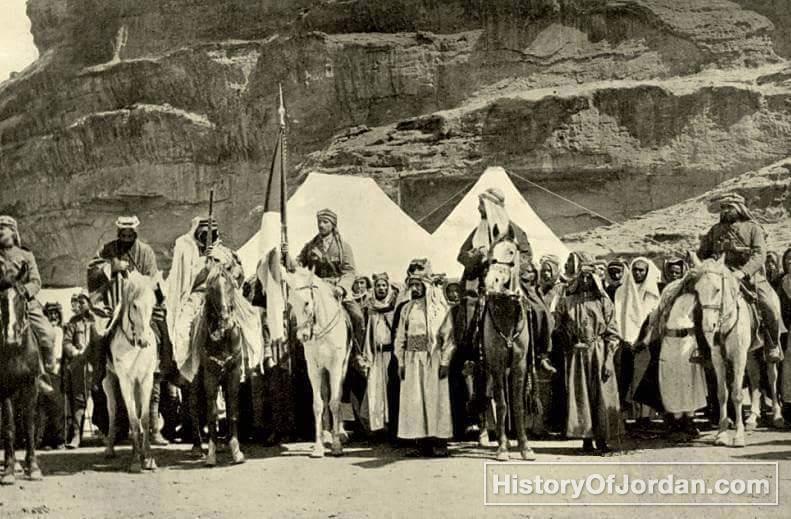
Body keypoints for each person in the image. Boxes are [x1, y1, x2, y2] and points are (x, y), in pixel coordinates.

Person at [697, 193, 783, 363]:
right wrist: (700, 257)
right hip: (720, 275)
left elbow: (759, 255)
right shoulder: (715, 230)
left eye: (729, 207)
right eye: (723, 207)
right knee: (697, 303)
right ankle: (700, 348)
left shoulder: (753, 228)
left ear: (739, 208)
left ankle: (772, 344)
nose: (725, 211)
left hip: (748, 276)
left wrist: (743, 272)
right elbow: (703, 253)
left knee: (769, 305)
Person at [556, 263, 623, 454]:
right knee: (581, 395)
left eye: (589, 277)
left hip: (599, 351)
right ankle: (586, 440)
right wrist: (571, 343)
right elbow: (559, 328)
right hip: (578, 354)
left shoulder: (604, 302)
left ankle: (602, 440)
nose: (586, 280)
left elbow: (613, 333)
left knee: (602, 395)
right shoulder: (568, 302)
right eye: (582, 276)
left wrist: (608, 359)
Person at [283, 208, 365, 356]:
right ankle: (294, 357)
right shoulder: (310, 247)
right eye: (319, 222)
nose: (321, 225)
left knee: (357, 316)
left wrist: (342, 287)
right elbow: (296, 266)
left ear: (333, 225)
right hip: (315, 290)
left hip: (337, 290)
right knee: (294, 317)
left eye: (325, 222)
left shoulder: (343, 247)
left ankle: (357, 355)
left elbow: (349, 271)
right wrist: (286, 255)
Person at [395, 260, 455, 457]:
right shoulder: (407, 309)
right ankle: (420, 442)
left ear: (426, 285)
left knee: (436, 400)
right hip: (413, 360)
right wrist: (401, 362)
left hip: (434, 359)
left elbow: (448, 337)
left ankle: (440, 442)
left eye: (418, 284)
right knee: (415, 401)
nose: (415, 288)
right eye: (412, 285)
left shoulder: (440, 308)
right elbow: (400, 337)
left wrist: (445, 361)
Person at [457, 188, 532, 326]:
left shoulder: (515, 231)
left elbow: (526, 255)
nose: (478, 208)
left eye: (481, 204)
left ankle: (541, 339)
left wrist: (510, 268)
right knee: (467, 316)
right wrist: (479, 255)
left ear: (491, 206)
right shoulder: (478, 232)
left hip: (510, 282)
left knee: (537, 310)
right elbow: (462, 255)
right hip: (480, 283)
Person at [0, 215, 56, 394]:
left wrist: (24, 291)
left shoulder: (26, 255)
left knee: (47, 332)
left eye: (2, 228)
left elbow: (36, 281)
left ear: (12, 231)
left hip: (25, 303)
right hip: (1, 301)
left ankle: (44, 373)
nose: (0, 232)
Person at [613, 257, 662, 427]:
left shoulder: (653, 294)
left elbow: (653, 319)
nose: (638, 273)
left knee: (643, 379)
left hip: (645, 342)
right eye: (635, 269)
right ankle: (627, 417)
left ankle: (645, 418)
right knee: (625, 380)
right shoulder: (621, 291)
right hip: (625, 341)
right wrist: (624, 338)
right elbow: (619, 316)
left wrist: (645, 340)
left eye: (641, 270)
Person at [359, 273, 400, 434]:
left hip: (391, 355)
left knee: (391, 389)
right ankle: (378, 426)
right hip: (376, 355)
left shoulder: (394, 308)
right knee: (375, 391)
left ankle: (393, 426)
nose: (381, 288)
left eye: (384, 285)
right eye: (378, 286)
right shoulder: (370, 309)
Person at [62, 291, 95, 449]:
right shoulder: (73, 322)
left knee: (101, 398)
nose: (79, 305)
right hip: (80, 365)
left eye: (82, 302)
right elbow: (66, 342)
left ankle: (106, 433)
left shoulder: (97, 321)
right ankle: (76, 435)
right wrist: (75, 352)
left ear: (90, 303)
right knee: (79, 401)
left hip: (95, 365)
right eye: (78, 302)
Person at [38, 302, 66, 449]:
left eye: (56, 314)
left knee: (58, 406)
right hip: (45, 370)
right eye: (50, 314)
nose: (53, 316)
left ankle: (59, 440)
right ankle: (46, 441)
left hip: (58, 370)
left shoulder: (61, 330)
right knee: (46, 406)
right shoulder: (42, 332)